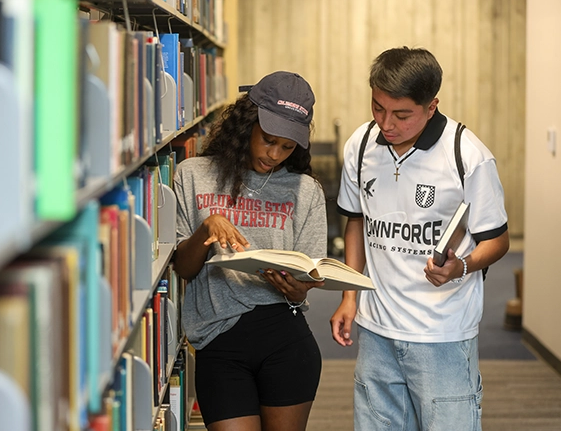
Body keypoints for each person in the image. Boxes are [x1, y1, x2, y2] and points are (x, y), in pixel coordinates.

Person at [331, 47, 509, 431]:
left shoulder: (467, 155)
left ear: (431, 107)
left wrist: (461, 266)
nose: (386, 123)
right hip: (376, 329)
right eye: (378, 108)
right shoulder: (361, 145)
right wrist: (350, 297)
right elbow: (357, 224)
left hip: (442, 333)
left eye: (401, 114)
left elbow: (498, 241)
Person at [172, 71, 327, 431]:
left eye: (287, 147)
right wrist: (206, 228)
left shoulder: (305, 191)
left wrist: (299, 288)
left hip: (286, 339)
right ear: (246, 127)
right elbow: (183, 268)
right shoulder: (193, 175)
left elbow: (310, 274)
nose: (274, 155)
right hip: (218, 342)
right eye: (268, 140)